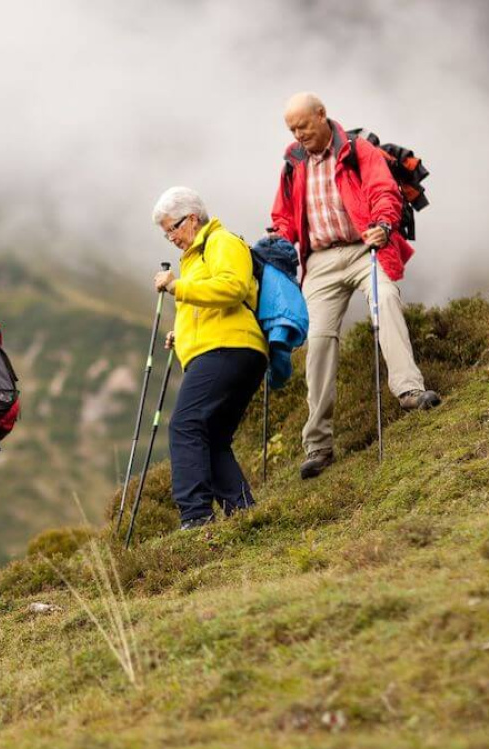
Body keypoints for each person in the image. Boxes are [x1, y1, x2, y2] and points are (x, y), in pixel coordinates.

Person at [270, 92, 441, 479]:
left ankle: (409, 391)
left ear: (322, 116)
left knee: (386, 301)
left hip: (366, 245)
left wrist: (382, 224)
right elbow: (283, 217)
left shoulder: (357, 150)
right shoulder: (293, 163)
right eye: (291, 129)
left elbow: (383, 191)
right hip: (321, 261)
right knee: (317, 339)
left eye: (303, 126)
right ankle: (318, 445)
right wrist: (276, 242)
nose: (298, 135)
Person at [152, 187, 268, 530]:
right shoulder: (194, 257)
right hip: (225, 350)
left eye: (172, 228)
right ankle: (244, 513)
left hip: (228, 349)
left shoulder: (222, 242)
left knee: (185, 425)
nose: (170, 237)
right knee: (213, 436)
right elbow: (207, 307)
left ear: (191, 218)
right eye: (165, 233)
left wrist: (176, 287)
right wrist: (181, 333)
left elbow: (232, 288)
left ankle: (196, 516)